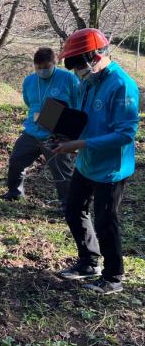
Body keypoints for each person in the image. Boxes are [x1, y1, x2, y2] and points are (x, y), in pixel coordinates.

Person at [54, 28, 140, 295]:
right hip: (87, 161)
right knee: (73, 209)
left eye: (80, 64)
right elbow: (82, 117)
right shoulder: (87, 83)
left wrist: (80, 144)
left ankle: (113, 276)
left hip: (111, 168)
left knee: (105, 220)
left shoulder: (122, 85)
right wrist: (62, 134)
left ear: (96, 56)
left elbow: (125, 134)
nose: (78, 71)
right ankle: (88, 262)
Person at [1, 47, 80, 209]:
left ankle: (68, 204)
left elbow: (78, 104)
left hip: (57, 134)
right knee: (17, 159)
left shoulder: (68, 79)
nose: (42, 70)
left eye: (46, 67)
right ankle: (15, 192)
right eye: (39, 67)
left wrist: (70, 130)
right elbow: (29, 102)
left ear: (54, 63)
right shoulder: (29, 80)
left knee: (61, 170)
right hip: (32, 131)